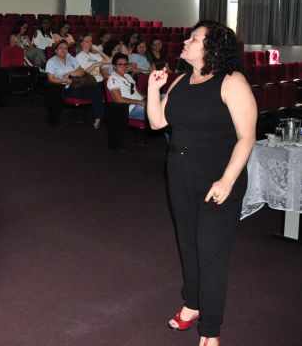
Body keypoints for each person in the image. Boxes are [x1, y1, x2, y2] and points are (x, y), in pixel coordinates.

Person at [147, 21, 255, 346]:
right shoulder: (181, 80)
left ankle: (210, 327)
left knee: (211, 250)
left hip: (218, 177)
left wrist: (227, 179)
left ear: (211, 48)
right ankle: (191, 304)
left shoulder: (232, 82)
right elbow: (156, 122)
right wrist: (153, 89)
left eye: (194, 39)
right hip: (180, 172)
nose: (186, 41)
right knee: (188, 242)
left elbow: (247, 137)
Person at [45, 40, 104, 129]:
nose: (64, 50)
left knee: (97, 91)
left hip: (77, 84)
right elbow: (51, 79)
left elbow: (81, 72)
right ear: (56, 50)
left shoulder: (71, 59)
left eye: (66, 48)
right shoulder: (51, 61)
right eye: (61, 48)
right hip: (63, 88)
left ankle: (97, 120)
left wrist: (70, 73)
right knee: (93, 92)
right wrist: (63, 80)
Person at [107, 53, 147, 120]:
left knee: (163, 97)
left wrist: (148, 98)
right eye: (120, 64)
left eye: (125, 64)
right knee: (157, 109)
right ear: (114, 66)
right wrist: (139, 102)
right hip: (131, 109)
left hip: (140, 104)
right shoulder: (113, 79)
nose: (124, 67)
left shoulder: (128, 76)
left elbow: (136, 92)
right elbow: (119, 100)